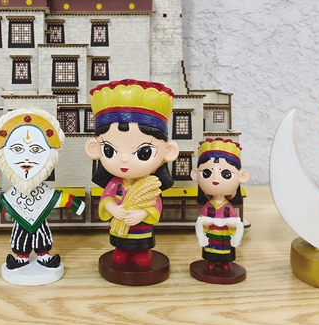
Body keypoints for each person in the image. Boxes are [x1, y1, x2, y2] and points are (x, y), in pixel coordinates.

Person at [85, 79, 179, 268]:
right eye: (109, 150)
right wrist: (112, 208)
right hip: (119, 224)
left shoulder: (151, 185)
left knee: (141, 246)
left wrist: (142, 213)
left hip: (141, 226)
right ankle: (122, 250)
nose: (124, 159)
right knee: (120, 246)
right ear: (94, 149)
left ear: (168, 152)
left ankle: (142, 251)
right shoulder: (115, 184)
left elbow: (155, 204)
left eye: (144, 152)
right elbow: (106, 198)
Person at [0, 108, 84, 276]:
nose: (27, 158)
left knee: (42, 235)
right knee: (20, 237)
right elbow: (5, 204)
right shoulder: (14, 193)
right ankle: (21, 257)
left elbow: (56, 198)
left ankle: (44, 256)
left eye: (35, 150)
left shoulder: (44, 191)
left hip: (40, 220)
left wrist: (75, 203)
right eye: (17, 150)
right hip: (20, 223)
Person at [191, 138, 249, 272]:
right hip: (211, 233)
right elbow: (201, 219)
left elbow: (235, 220)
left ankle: (225, 262)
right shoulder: (208, 206)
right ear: (195, 174)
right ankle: (211, 261)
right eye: (207, 173)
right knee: (210, 248)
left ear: (241, 177)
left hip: (225, 234)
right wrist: (204, 223)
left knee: (225, 249)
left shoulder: (228, 207)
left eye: (226, 174)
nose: (215, 178)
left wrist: (232, 225)